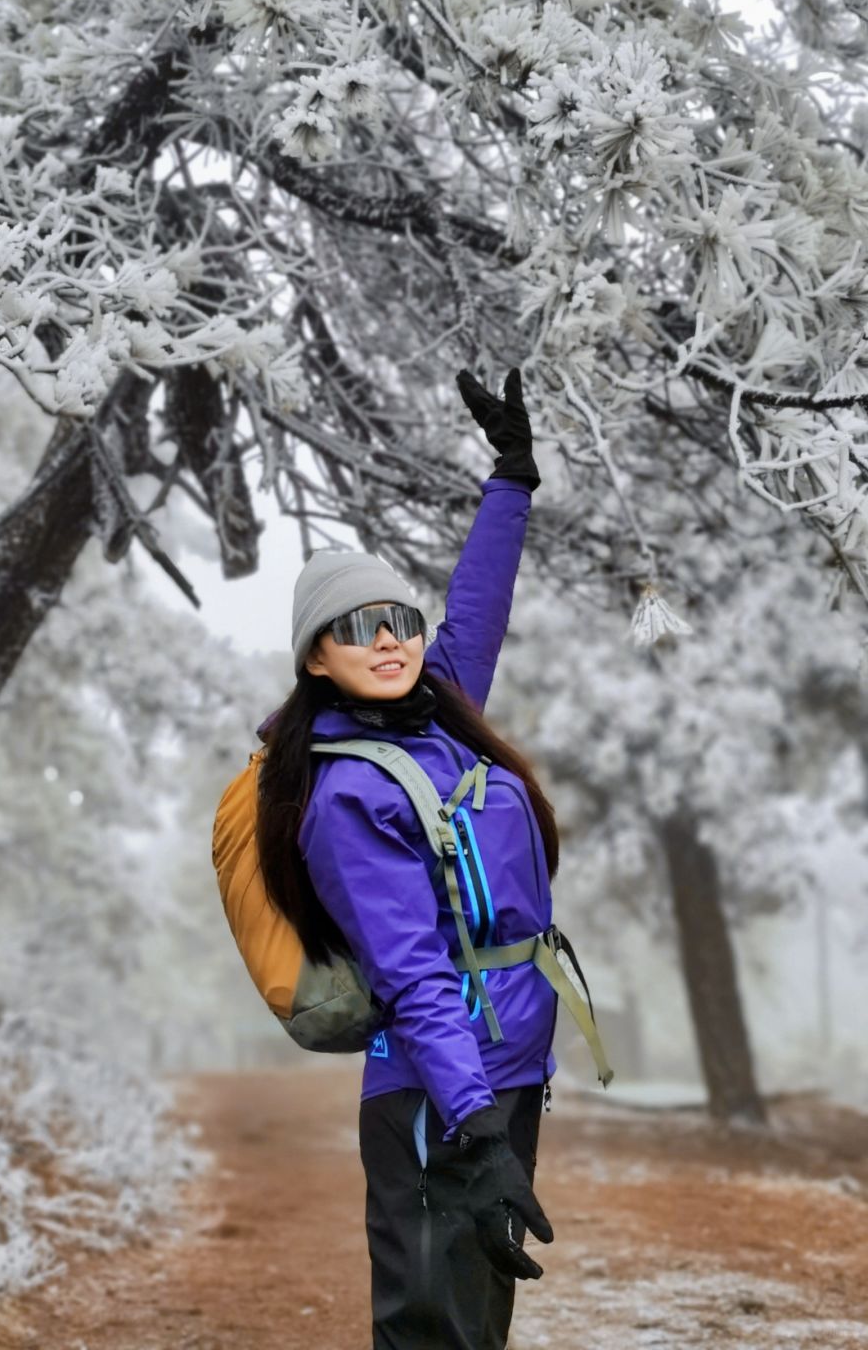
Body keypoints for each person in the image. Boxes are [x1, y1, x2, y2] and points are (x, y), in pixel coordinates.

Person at [255, 367, 559, 1350]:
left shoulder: (441, 713)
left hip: (505, 1068)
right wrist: (471, 1126)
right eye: (354, 628)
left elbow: (479, 604)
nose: (385, 640)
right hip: (439, 1086)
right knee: (434, 1332)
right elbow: (414, 975)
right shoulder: (345, 796)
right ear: (315, 658)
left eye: (399, 621)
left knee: (477, 1324)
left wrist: (511, 476)